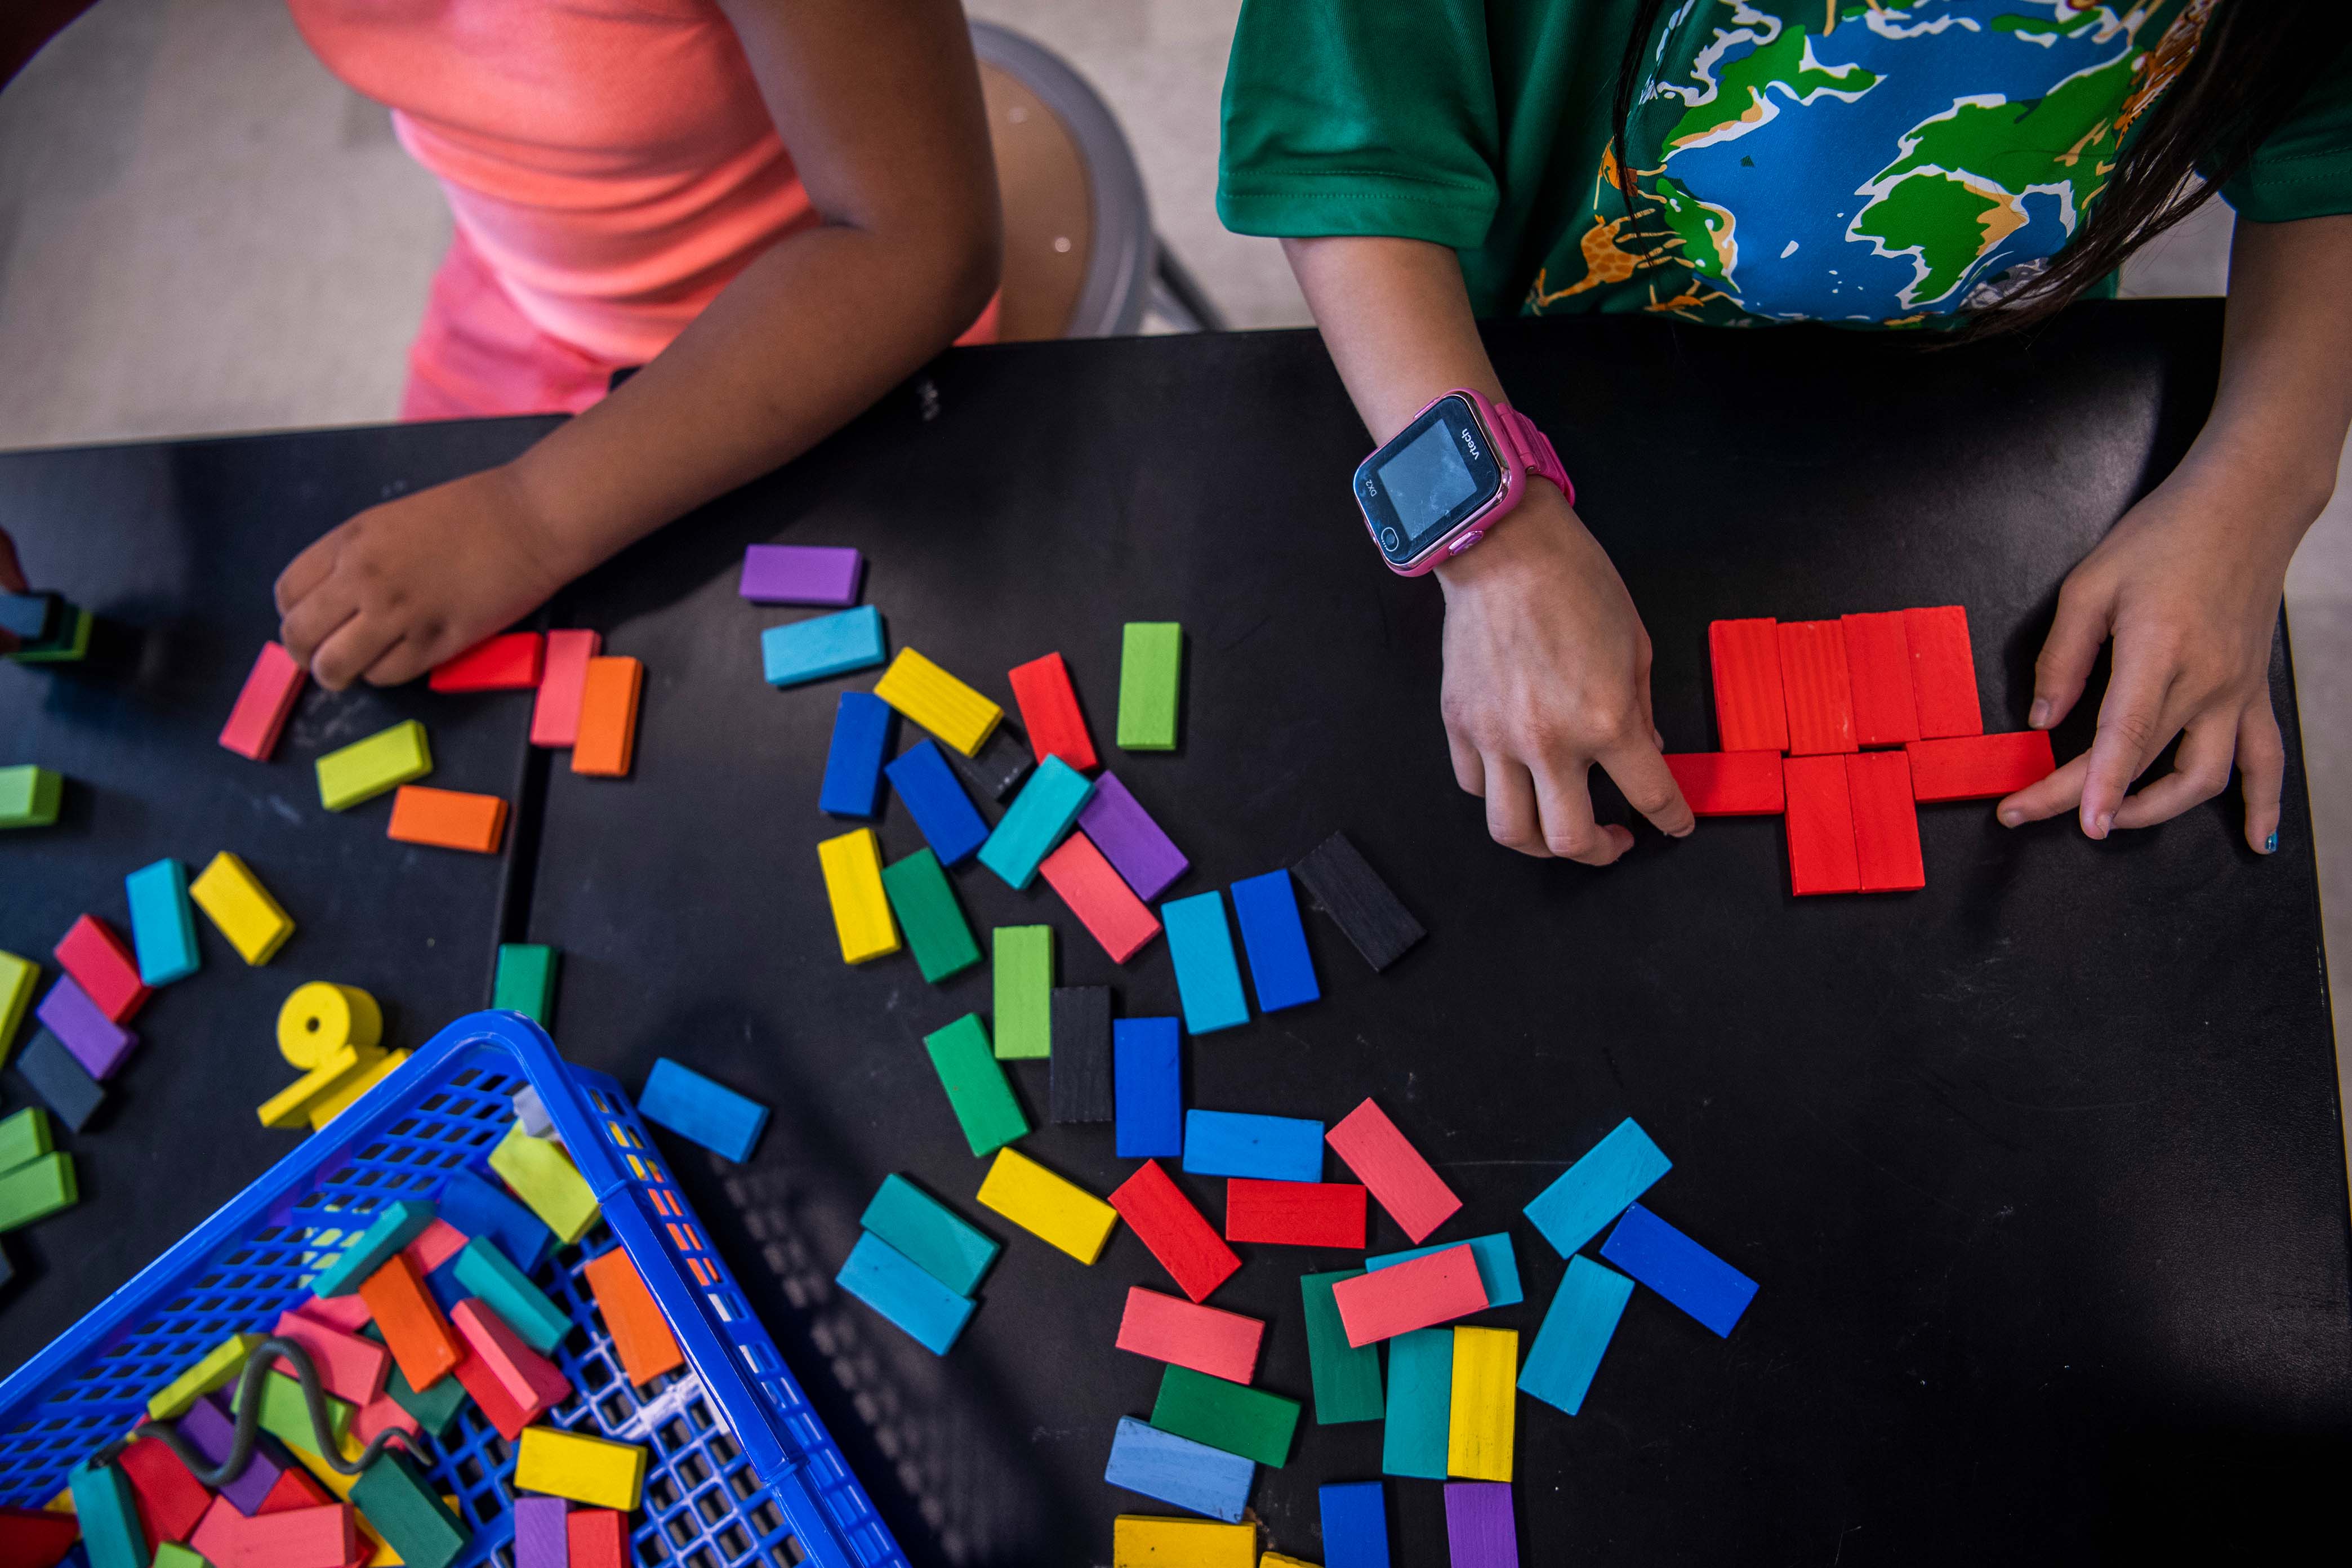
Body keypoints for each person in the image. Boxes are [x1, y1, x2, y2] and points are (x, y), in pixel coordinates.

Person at [1219, 0, 2352, 863]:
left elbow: (2326, 136)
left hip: (2008, 394)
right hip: (1543, 365)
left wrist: (2262, 488)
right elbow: (1347, 154)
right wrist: (1492, 537)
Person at [2, 0, 1000, 686]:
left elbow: (917, 249)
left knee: (795, 692)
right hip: (521, 307)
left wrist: (527, 518)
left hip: (804, 340)